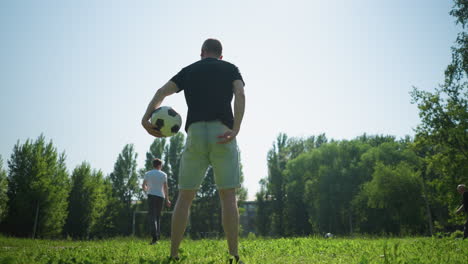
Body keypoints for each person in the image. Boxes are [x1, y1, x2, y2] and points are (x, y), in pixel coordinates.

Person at [141, 38, 245, 263]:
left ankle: (174, 254)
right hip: (223, 134)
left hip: (195, 134)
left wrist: (145, 117)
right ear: (221, 55)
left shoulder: (189, 70)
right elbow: (240, 94)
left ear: (202, 53)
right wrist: (236, 128)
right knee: (228, 196)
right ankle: (234, 254)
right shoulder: (230, 68)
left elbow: (161, 92)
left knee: (185, 197)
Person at [142, 158, 171, 245]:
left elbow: (143, 185)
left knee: (152, 217)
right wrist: (167, 199)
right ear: (159, 165)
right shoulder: (163, 174)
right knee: (158, 217)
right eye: (161, 165)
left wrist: (147, 190)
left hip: (151, 196)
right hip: (160, 197)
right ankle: (157, 237)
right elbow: (165, 188)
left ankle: (154, 238)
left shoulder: (148, 174)